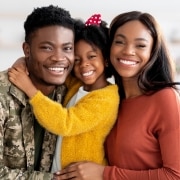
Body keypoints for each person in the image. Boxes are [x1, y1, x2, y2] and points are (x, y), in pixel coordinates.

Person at [53, 11, 180, 180]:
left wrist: (104, 173)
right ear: (107, 49)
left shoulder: (164, 98)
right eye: (119, 42)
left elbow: (175, 175)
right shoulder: (109, 97)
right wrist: (25, 61)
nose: (128, 51)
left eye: (140, 45)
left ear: (153, 51)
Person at [8, 14, 119, 175]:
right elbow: (53, 69)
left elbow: (65, 123)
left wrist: (30, 90)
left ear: (106, 60)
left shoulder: (107, 98)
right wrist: (24, 60)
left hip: (80, 176)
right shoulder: (78, 84)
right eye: (77, 59)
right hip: (58, 172)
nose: (84, 64)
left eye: (92, 56)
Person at [0, 5, 75, 179]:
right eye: (47, 48)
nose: (59, 57)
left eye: (67, 48)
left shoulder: (72, 94)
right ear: (27, 50)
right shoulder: (3, 94)